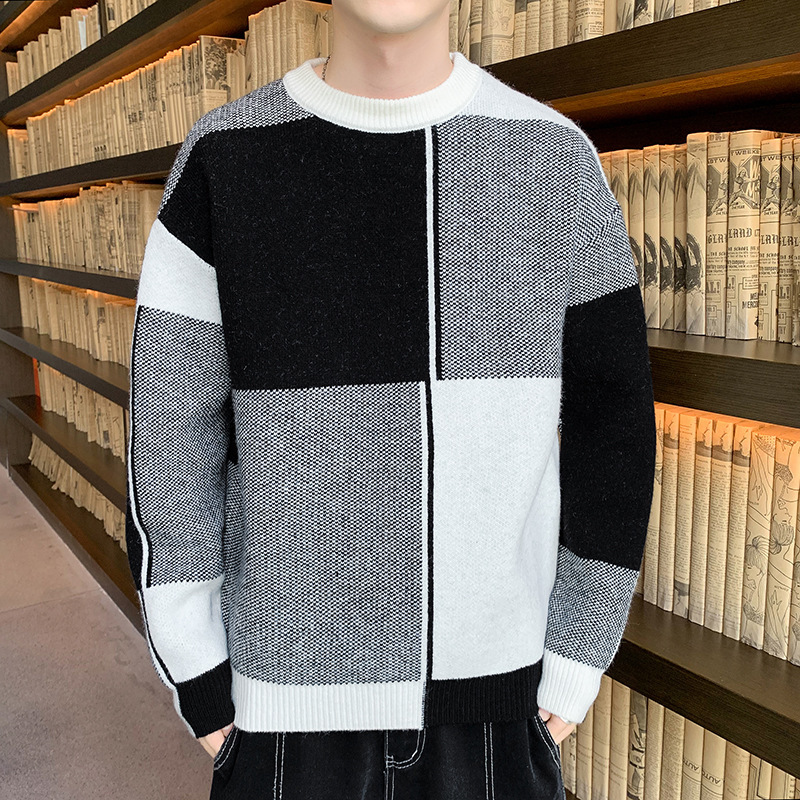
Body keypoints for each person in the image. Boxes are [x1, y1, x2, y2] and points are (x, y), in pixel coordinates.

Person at [125, 0, 657, 797]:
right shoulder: (225, 157)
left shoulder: (554, 161)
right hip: (281, 714)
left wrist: (579, 649)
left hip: (496, 711)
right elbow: (169, 430)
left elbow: (612, 423)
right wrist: (195, 665)